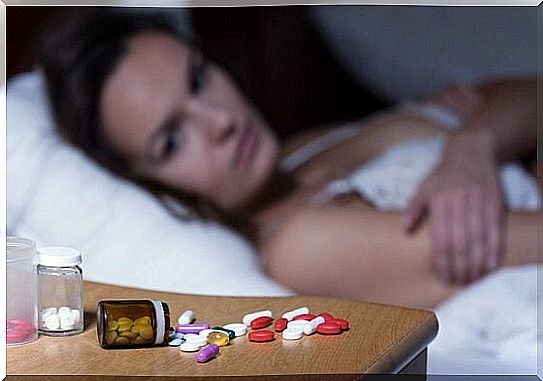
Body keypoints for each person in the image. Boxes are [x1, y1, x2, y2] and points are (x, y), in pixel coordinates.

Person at [38, 9, 539, 308]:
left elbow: (524, 91)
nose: (221, 121)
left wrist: (474, 146)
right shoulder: (303, 245)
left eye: (197, 79)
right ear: (150, 186)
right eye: (172, 140)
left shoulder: (302, 150)